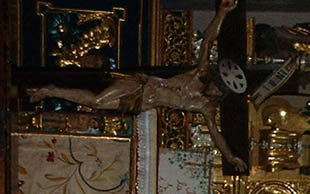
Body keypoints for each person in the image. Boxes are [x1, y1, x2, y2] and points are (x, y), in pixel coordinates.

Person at [28, 0, 247, 171]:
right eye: (216, 84)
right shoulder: (198, 74)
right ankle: (49, 90)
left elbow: (216, 134)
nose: (214, 89)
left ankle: (50, 91)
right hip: (141, 86)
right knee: (97, 99)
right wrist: (222, 13)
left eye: (219, 90)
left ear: (221, 94)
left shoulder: (205, 107)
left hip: (141, 103)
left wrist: (230, 157)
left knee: (97, 104)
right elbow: (207, 41)